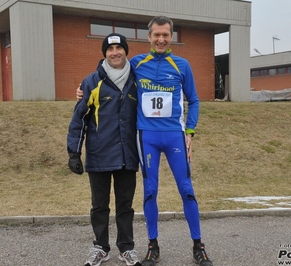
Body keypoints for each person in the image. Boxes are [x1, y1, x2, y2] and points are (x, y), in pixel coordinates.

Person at [76, 16, 213, 266]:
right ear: (149, 37)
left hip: (174, 136)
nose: (161, 39)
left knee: (187, 190)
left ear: (171, 37)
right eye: (156, 35)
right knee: (150, 191)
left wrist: (190, 132)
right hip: (146, 136)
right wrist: (83, 88)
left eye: (166, 35)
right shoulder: (137, 63)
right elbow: (107, 70)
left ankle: (198, 246)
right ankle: (152, 246)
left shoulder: (182, 65)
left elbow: (193, 100)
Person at [67, 33, 141, 266]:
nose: (115, 52)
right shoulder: (91, 82)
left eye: (119, 48)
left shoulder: (138, 81)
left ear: (126, 51)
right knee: (99, 206)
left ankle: (126, 248)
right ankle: (100, 247)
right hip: (99, 155)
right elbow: (79, 118)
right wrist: (74, 152)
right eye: (110, 49)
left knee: (125, 206)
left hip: (128, 155)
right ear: (104, 53)